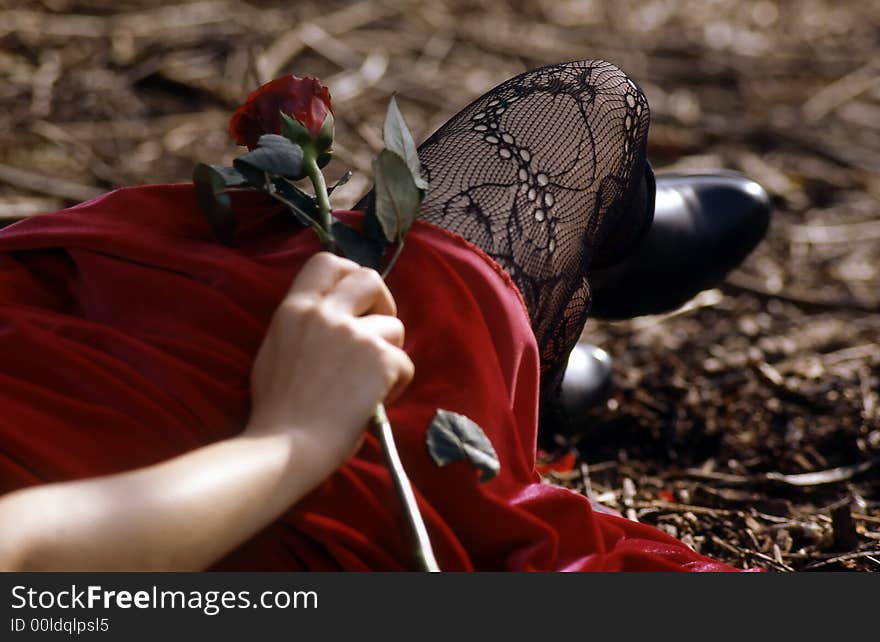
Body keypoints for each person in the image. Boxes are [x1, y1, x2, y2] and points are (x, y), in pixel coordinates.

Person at [0, 60, 768, 571]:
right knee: (583, 112)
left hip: (48, 361)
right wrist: (293, 437)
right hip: (176, 501)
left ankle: (534, 354)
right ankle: (606, 251)